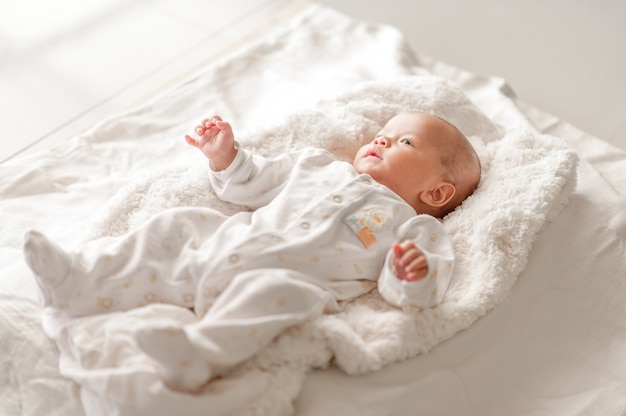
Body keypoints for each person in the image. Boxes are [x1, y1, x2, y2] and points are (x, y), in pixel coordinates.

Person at [23, 111, 481, 392]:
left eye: (404, 141)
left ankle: (198, 353)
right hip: (227, 245)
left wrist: (411, 276)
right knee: (177, 226)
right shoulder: (318, 166)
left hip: (288, 283)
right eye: (383, 132)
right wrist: (226, 156)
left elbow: (417, 289)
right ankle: (79, 280)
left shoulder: (413, 225)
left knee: (278, 298)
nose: (380, 139)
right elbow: (254, 182)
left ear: (438, 194)